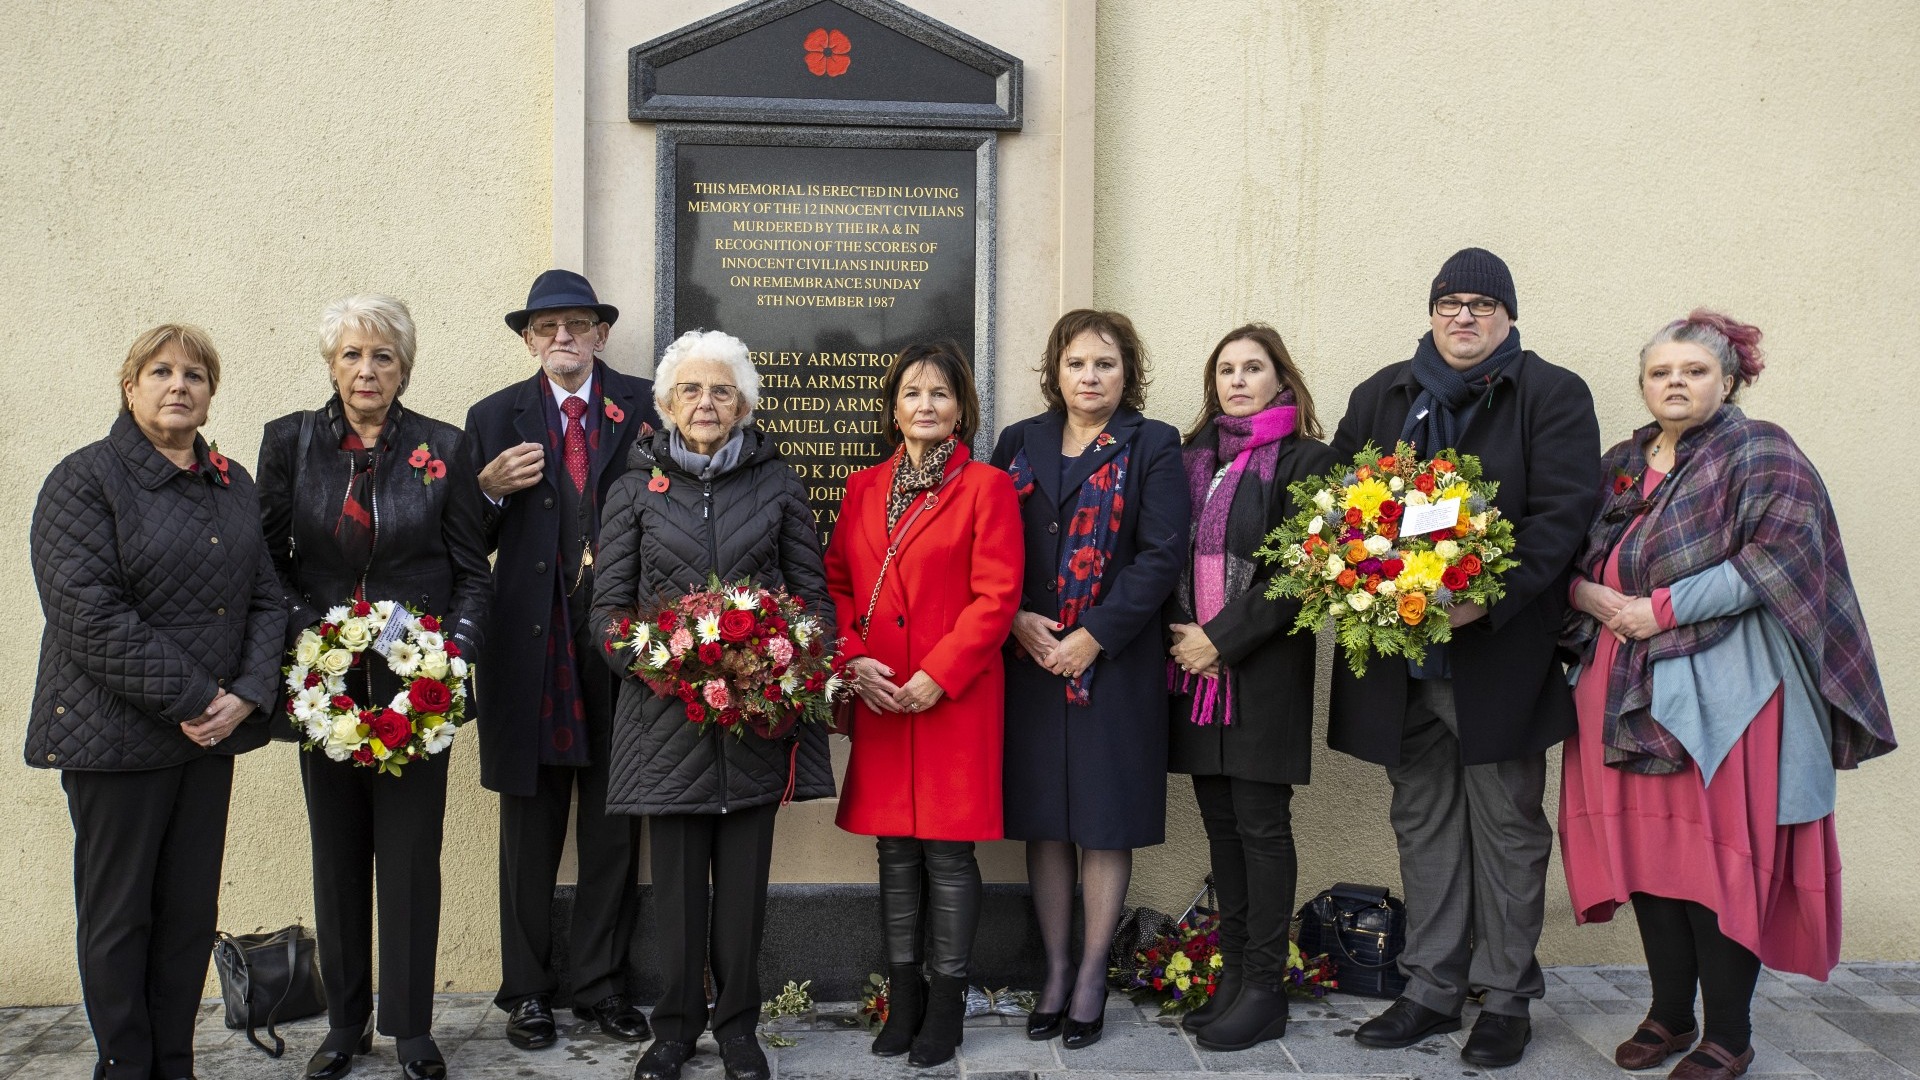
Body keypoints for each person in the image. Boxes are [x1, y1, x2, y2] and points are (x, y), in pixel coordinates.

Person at [1560, 311, 1894, 1080]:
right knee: (1648, 862)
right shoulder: (1620, 462)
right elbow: (1569, 556)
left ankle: (1729, 1034)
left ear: (1729, 379)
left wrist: (1661, 609)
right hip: (1616, 684)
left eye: (1694, 371)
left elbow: (1778, 552)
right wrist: (1587, 596)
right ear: (1643, 385)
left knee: (1717, 864)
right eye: (1660, 373)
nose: (1674, 383)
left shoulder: (1762, 451)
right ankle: (1669, 1014)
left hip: (1725, 692)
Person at [1331, 249, 1600, 1068]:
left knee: (1509, 828)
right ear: (1432, 311)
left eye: (1482, 304)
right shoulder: (1383, 394)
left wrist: (1489, 597)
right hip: (1400, 661)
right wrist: (1357, 578)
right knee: (1423, 823)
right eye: (1449, 302)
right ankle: (1431, 990)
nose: (1464, 317)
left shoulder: (1550, 394)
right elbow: (1340, 500)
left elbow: (1563, 514)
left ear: (1508, 315)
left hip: (1495, 658)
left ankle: (1507, 998)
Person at [28, 324, 286, 1080]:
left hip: (206, 740)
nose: (179, 385)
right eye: (162, 371)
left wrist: (245, 695)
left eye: (196, 375)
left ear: (211, 394)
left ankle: (176, 1061)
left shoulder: (232, 482)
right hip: (113, 739)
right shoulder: (84, 480)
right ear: (130, 384)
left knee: (186, 919)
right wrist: (200, 696)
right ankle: (125, 1065)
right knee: (120, 918)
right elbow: (87, 612)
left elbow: (268, 600)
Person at [590, 329, 835, 1080]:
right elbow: (606, 616)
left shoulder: (780, 485)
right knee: (677, 893)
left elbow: (813, 603)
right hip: (665, 725)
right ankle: (672, 1031)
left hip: (755, 724)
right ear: (665, 404)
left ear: (743, 405)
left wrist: (777, 661)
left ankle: (737, 1030)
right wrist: (676, 668)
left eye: (721, 390)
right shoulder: (633, 489)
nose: (706, 402)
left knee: (742, 893)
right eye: (691, 390)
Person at [258, 294, 491, 1080]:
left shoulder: (444, 446)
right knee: (339, 854)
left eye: (383, 356)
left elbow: (471, 571)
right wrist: (311, 636)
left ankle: (412, 1026)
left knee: (411, 854)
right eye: (354, 355)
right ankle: (346, 1023)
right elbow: (266, 565)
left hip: (415, 686)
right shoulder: (289, 442)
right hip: (324, 683)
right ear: (332, 363)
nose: (367, 370)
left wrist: (450, 658)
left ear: (403, 368)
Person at [463, 269, 660, 1051]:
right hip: (528, 650)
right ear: (527, 340)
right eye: (546, 328)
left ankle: (602, 985)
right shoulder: (492, 417)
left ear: (601, 334)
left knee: (616, 827)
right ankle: (528, 992)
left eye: (576, 324)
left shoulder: (647, 405)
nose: (562, 338)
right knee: (530, 828)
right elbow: (459, 543)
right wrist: (483, 491)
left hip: (621, 645)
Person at [989, 310, 1187, 1050]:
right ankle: (1056, 967)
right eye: (1077, 364)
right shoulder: (1020, 442)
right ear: (1056, 370)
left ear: (1126, 372)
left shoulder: (1154, 444)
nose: (1090, 377)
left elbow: (1161, 555)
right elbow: (994, 544)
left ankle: (1093, 974)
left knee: (1103, 821)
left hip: (1115, 663)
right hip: (1032, 661)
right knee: (1046, 820)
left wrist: (1094, 636)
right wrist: (1015, 618)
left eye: (1105, 364)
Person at [826, 342, 1023, 1068]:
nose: (926, 405)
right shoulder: (862, 488)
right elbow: (838, 584)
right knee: (894, 848)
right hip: (881, 691)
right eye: (912, 393)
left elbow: (996, 596)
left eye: (940, 393)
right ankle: (902, 996)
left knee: (947, 849)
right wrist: (853, 660)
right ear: (894, 408)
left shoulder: (987, 487)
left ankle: (947, 1003)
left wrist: (940, 673)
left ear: (961, 408)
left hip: (952, 696)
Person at [1164, 323, 1336, 1051]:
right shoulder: (1188, 459)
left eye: (1252, 368)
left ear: (1280, 380)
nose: (1237, 380)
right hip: (1194, 673)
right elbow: (1165, 550)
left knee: (1262, 828)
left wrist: (1220, 638)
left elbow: (1303, 570)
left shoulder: (1307, 461)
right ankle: (1233, 978)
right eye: (1225, 370)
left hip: (1260, 674)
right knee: (1222, 827)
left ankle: (1266, 989)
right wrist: (1185, 633)